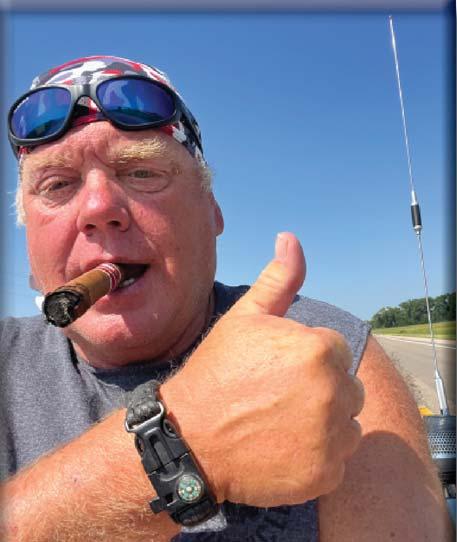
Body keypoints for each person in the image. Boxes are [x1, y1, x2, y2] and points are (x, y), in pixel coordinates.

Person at [0, 55, 452, 541]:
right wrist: (187, 445)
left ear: (212, 211)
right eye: (57, 185)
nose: (98, 207)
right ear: (30, 246)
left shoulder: (325, 351)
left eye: (141, 173)